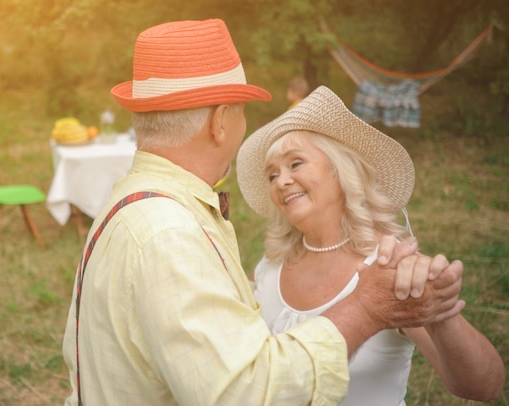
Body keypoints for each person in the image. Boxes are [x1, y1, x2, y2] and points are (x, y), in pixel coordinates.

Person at [62, 19, 465, 405]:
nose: (281, 181)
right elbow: (246, 395)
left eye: (295, 165)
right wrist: (365, 309)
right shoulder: (169, 232)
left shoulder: (130, 204)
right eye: (240, 112)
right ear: (220, 122)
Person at [236, 85, 505, 405]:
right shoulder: (270, 267)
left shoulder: (391, 267)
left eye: (295, 164)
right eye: (271, 175)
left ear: (341, 172)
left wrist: (440, 312)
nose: (281, 181)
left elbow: (483, 387)